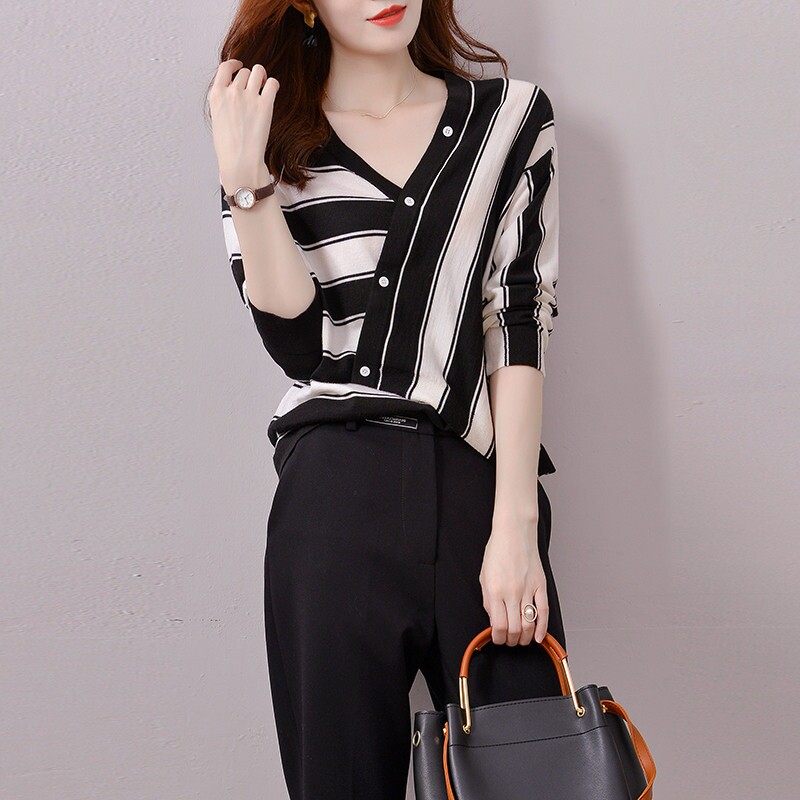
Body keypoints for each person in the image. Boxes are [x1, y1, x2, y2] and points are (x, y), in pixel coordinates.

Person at [207, 2, 565, 798]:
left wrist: (515, 528)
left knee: (534, 774)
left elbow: (517, 315)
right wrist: (245, 180)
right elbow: (299, 347)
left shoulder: (509, 119)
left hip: (475, 490)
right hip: (332, 500)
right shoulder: (268, 138)